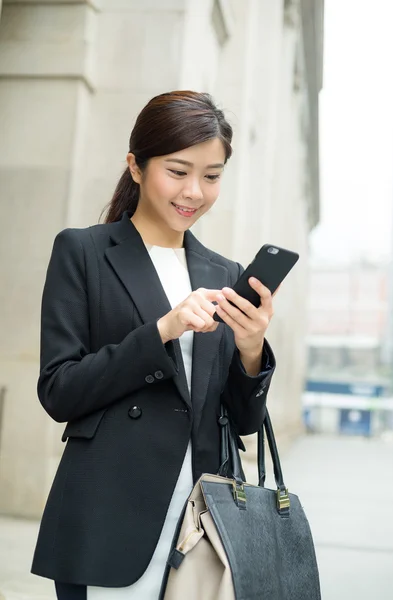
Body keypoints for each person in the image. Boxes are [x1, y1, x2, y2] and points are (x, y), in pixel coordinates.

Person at [31, 90, 276, 599]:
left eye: (211, 176)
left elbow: (242, 422)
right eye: (177, 170)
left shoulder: (224, 273)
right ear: (136, 167)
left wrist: (251, 348)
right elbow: (59, 391)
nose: (194, 192)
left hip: (201, 523)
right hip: (109, 515)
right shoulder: (84, 252)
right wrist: (161, 331)